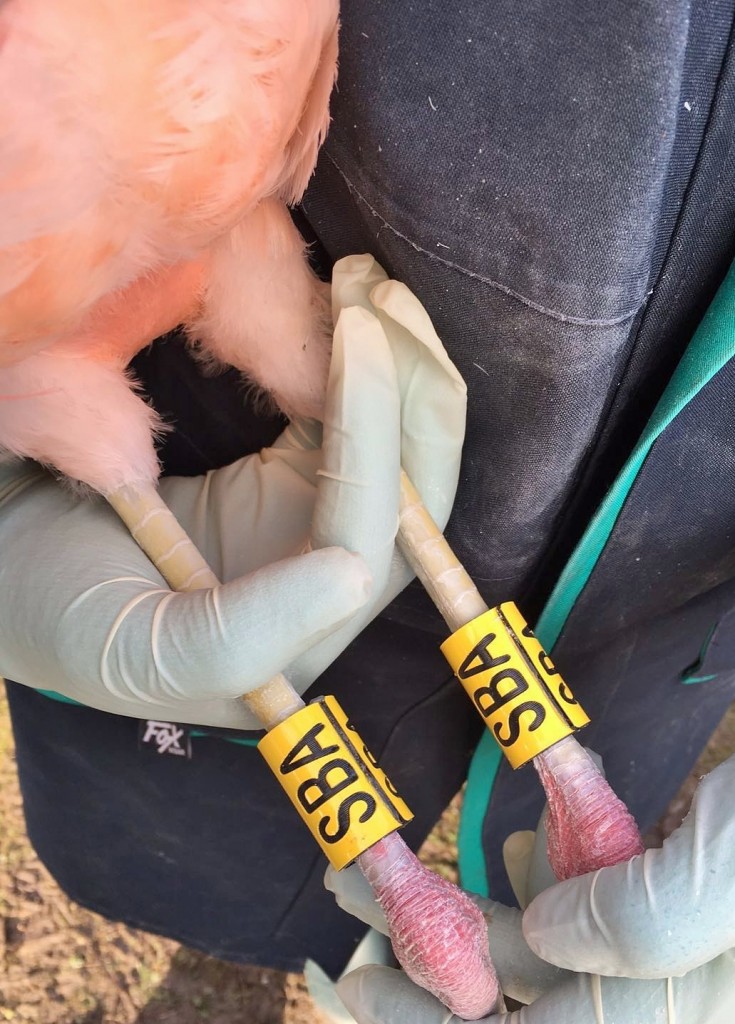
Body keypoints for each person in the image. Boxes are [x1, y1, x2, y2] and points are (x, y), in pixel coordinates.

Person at [3, 1, 735, 1021]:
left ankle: (555, 782)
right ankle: (387, 868)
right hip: (179, 400)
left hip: (666, 560)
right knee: (231, 800)